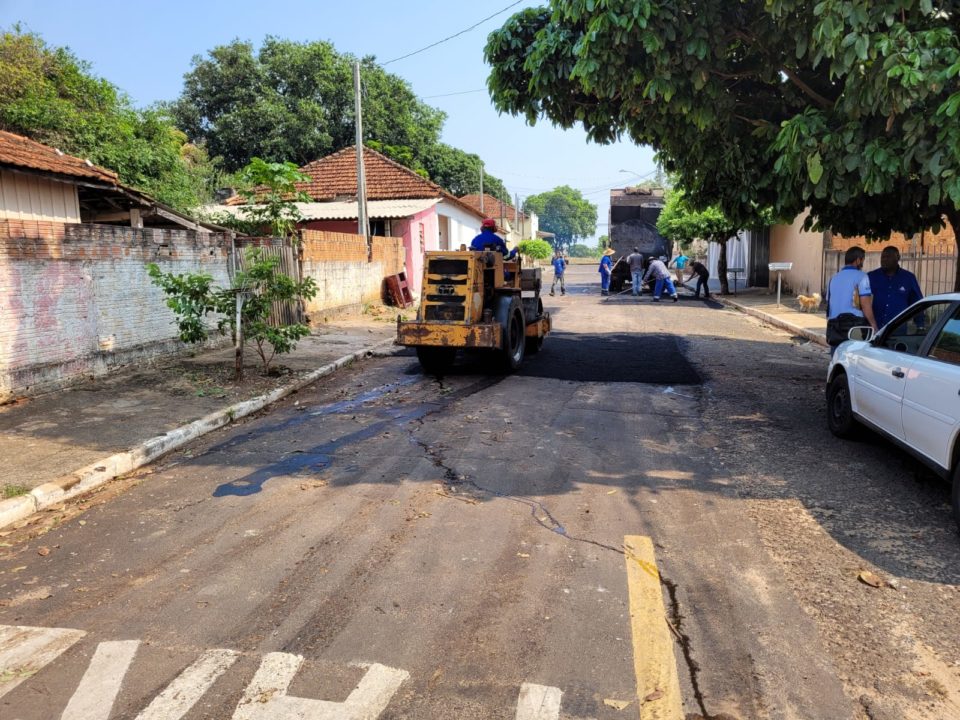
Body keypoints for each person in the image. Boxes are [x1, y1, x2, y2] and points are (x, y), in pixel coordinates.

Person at [826, 246, 877, 354]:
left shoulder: (834, 278)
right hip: (854, 327)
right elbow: (865, 304)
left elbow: (829, 304)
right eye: (862, 260)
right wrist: (873, 325)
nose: (862, 263)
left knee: (836, 359)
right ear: (858, 260)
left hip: (835, 327)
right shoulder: (862, 277)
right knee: (853, 360)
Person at [867, 245, 923, 329]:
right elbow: (862, 303)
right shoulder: (871, 277)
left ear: (898, 258)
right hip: (874, 329)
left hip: (897, 330)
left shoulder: (908, 278)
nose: (884, 259)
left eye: (888, 257)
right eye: (883, 257)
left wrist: (920, 325)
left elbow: (917, 303)